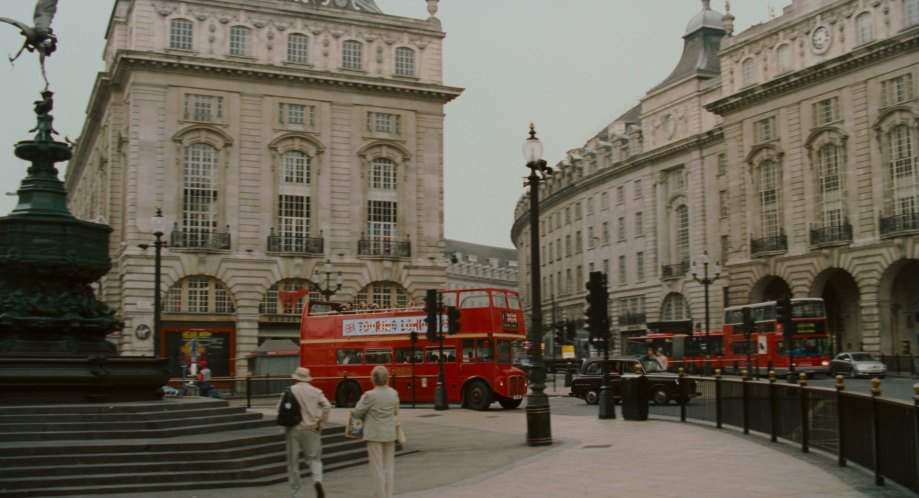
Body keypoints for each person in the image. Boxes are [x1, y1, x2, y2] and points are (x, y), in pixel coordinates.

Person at [282, 367, 331, 498]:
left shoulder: (289, 391)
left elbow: (279, 409)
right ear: (307, 378)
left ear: (295, 378)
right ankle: (317, 481)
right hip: (312, 429)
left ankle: (296, 492)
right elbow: (327, 406)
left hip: (293, 429)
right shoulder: (316, 391)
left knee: (293, 461)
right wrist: (321, 423)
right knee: (315, 459)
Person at [351, 366, 400, 498]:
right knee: (389, 467)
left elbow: (357, 412)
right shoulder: (394, 393)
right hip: (389, 433)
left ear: (373, 379)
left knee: (377, 468)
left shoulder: (369, 395)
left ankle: (380, 495)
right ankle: (388, 495)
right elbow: (395, 411)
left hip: (374, 434)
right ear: (387, 378)